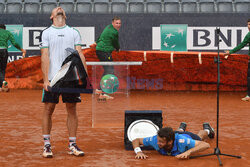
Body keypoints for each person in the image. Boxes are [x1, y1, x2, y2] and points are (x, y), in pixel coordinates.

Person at [40, 7, 87, 158]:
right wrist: (46, 79)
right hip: (53, 78)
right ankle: (47, 145)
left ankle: (72, 144)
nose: (59, 8)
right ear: (51, 16)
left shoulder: (73, 32)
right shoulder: (46, 33)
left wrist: (84, 78)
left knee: (72, 109)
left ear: (65, 15)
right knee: (49, 109)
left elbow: (79, 54)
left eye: (62, 9)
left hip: (71, 78)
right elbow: (44, 55)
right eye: (56, 9)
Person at [132, 122, 215, 159]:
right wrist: (138, 152)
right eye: (158, 140)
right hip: (175, 134)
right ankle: (181, 128)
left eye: (161, 142)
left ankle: (207, 130)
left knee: (199, 136)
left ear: (170, 142)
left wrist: (188, 152)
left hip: (187, 136)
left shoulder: (183, 141)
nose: (158, 143)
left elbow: (205, 145)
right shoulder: (155, 140)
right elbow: (136, 140)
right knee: (177, 132)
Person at [94, 16, 121, 100]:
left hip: (99, 50)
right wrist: (118, 48)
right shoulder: (114, 32)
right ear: (113, 23)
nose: (118, 25)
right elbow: (115, 42)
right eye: (117, 23)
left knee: (107, 70)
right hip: (104, 52)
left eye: (120, 23)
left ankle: (99, 89)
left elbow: (101, 36)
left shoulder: (108, 27)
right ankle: (103, 93)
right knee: (110, 71)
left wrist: (96, 42)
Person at [224, 19, 250, 101]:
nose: (249, 26)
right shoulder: (249, 35)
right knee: (249, 78)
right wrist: (231, 52)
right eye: (248, 24)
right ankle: (249, 96)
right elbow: (241, 45)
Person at [0, 24, 26, 92]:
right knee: (2, 69)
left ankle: (2, 82)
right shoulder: (7, 32)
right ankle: (1, 85)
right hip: (4, 51)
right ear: (4, 28)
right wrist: (21, 49)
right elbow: (14, 43)